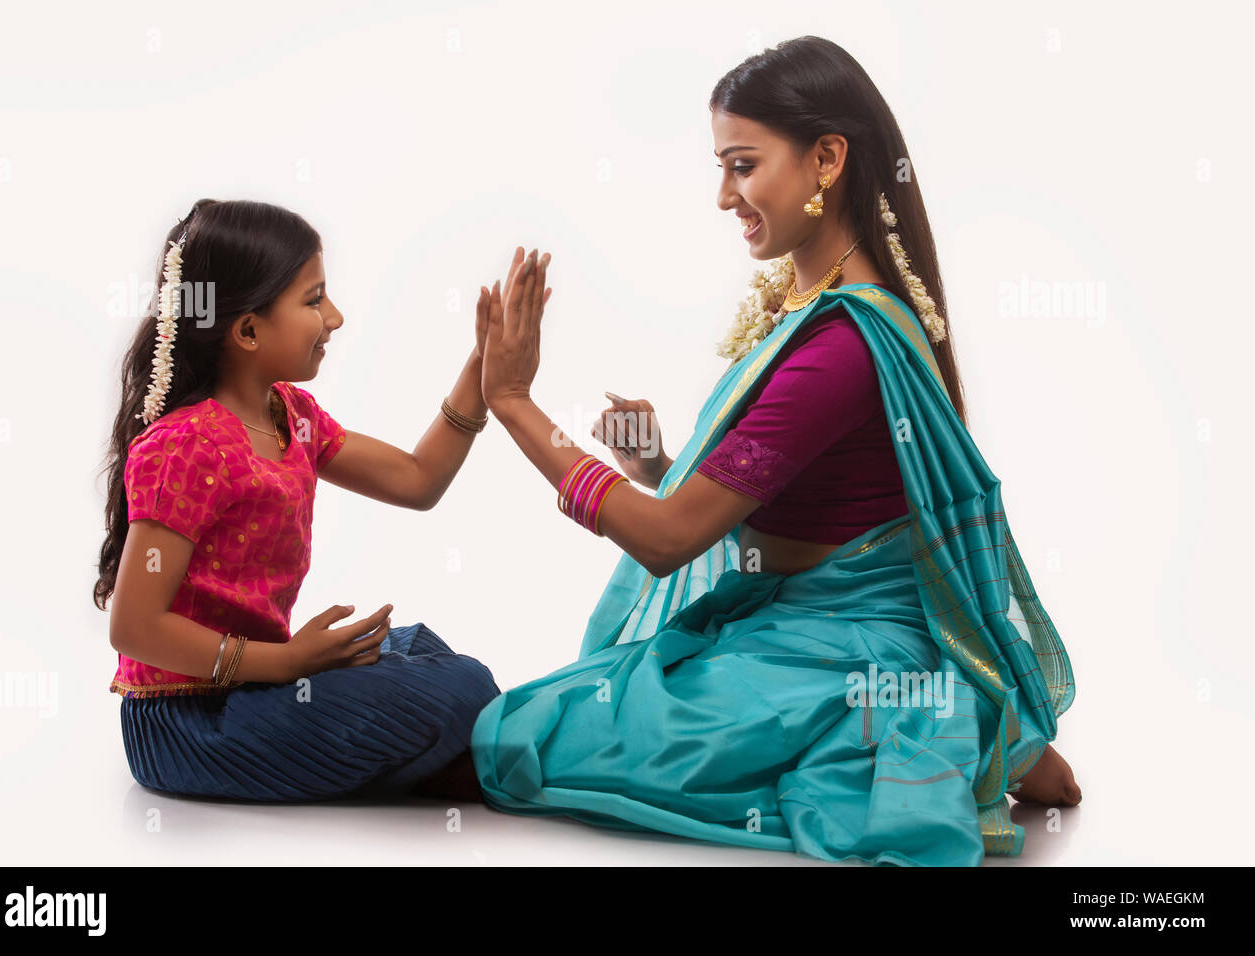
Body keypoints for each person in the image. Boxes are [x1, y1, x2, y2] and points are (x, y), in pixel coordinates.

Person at [467, 36, 1080, 866]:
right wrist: (657, 466)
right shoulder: (822, 312)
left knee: (525, 737)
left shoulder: (842, 345)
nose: (725, 195)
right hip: (791, 622)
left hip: (851, 641)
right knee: (565, 716)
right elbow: (779, 492)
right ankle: (972, 727)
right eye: (721, 168)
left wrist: (512, 405)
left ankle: (943, 725)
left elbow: (669, 541)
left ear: (827, 158)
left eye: (743, 165)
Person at [94, 198, 505, 802]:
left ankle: (427, 759)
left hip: (259, 685)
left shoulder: (292, 416)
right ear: (248, 330)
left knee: (416, 649)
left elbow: (418, 480)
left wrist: (483, 368)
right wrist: (288, 665)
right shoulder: (185, 446)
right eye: (314, 300)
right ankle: (449, 762)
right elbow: (133, 627)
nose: (335, 317)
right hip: (188, 722)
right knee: (462, 686)